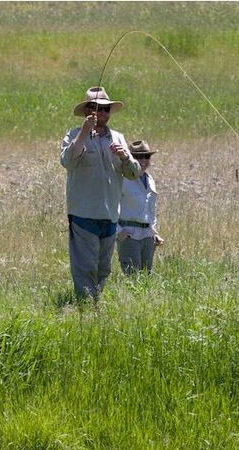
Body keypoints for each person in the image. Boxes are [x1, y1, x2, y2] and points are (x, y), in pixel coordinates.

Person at [59, 87, 141, 299]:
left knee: (104, 267)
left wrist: (125, 157)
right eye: (95, 109)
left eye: (105, 109)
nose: (101, 113)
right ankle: (85, 307)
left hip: (111, 214)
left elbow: (134, 173)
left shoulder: (118, 138)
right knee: (86, 266)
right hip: (83, 213)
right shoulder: (74, 135)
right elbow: (67, 161)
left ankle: (95, 303)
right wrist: (85, 132)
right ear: (87, 110)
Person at [117, 140, 164, 275]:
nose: (143, 160)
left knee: (146, 277)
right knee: (132, 277)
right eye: (138, 157)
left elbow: (150, 209)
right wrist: (119, 232)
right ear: (131, 159)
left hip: (148, 236)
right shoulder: (122, 179)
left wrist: (154, 233)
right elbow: (110, 206)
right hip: (129, 235)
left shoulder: (150, 180)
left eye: (146, 156)